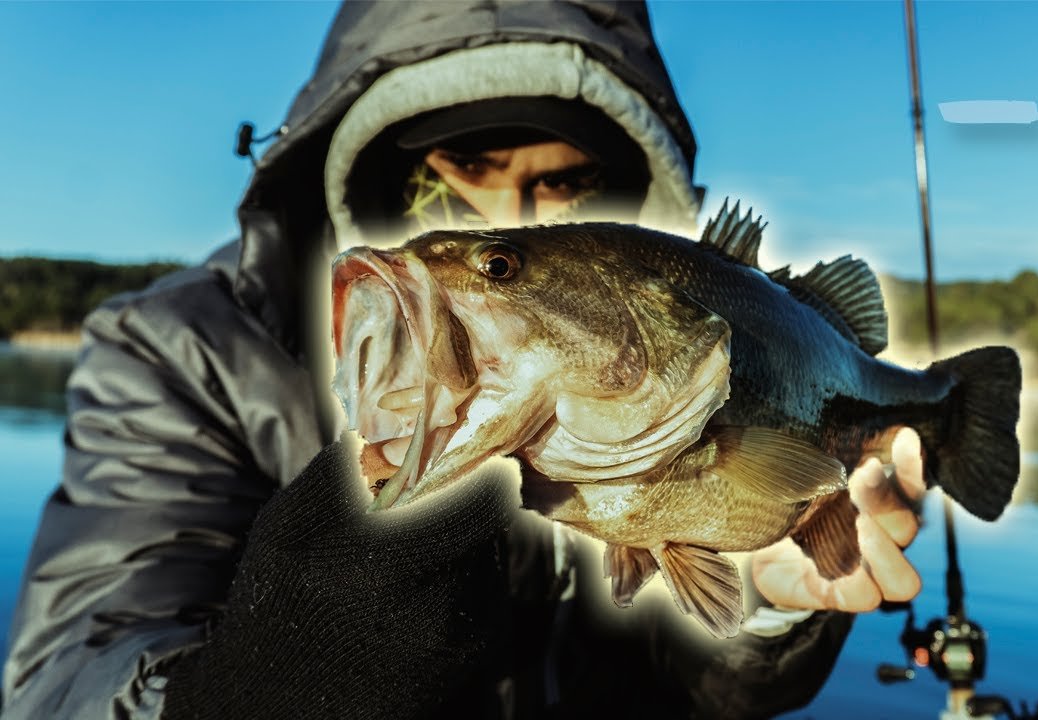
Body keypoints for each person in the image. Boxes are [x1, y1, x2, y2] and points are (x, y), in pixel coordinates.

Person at [2, 2, 926, 718]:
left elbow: (651, 689)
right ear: (360, 168)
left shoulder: (642, 386)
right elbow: (65, 668)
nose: (502, 218)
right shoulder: (175, 350)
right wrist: (254, 688)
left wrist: (765, 612)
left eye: (564, 186)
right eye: (454, 172)